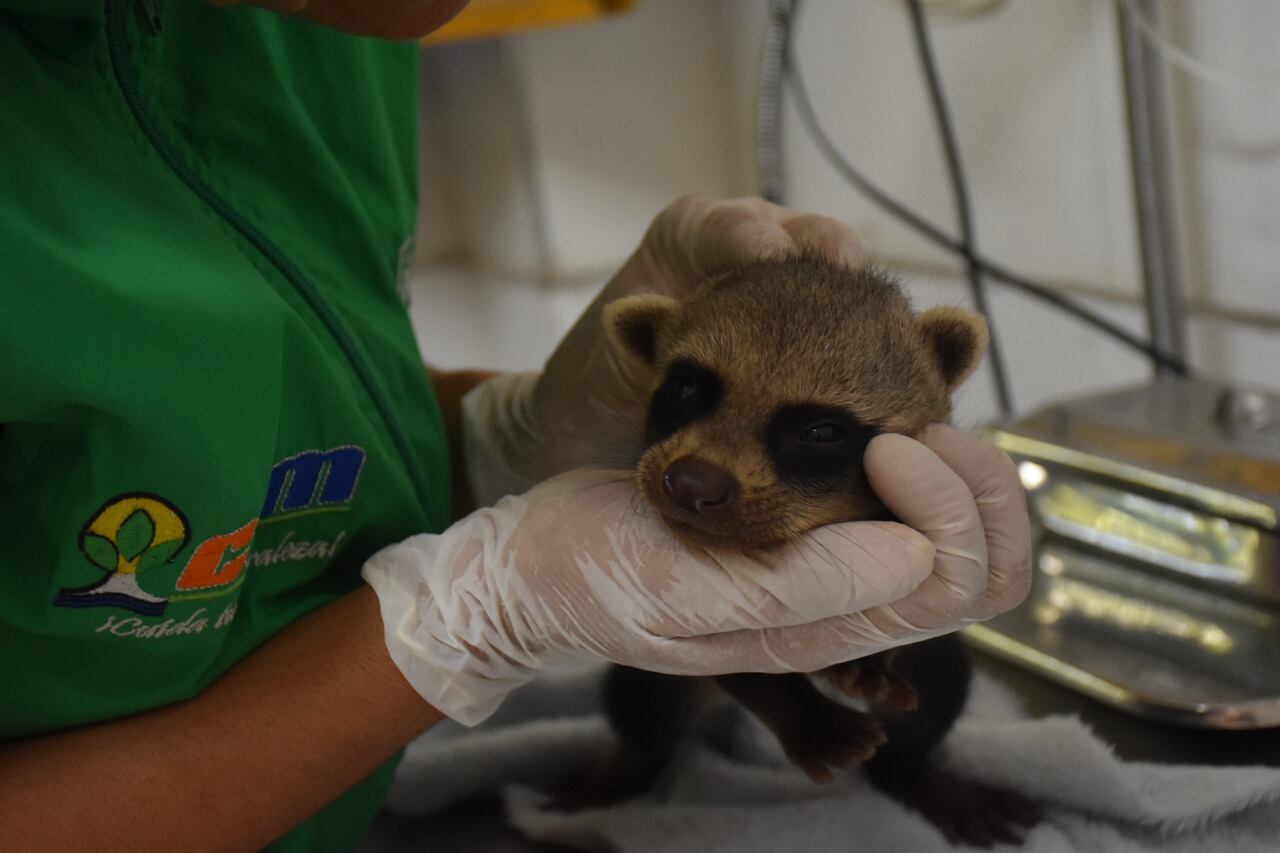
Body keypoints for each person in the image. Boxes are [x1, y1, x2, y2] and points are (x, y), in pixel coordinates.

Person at [0, 1, 1032, 850]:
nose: (706, 466)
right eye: (688, 399)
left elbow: (243, 426)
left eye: (809, 431)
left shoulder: (341, 31)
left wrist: (490, 440)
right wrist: (468, 615)